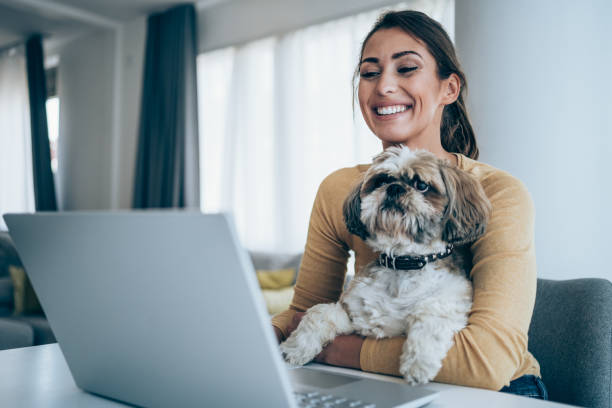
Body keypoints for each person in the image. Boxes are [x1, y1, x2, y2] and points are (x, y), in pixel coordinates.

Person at [272, 10, 548, 400]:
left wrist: (335, 349)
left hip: (501, 391)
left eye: (406, 69)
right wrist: (261, 336)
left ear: (448, 88)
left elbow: (487, 364)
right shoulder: (342, 189)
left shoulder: (497, 191)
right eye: (370, 73)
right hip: (378, 383)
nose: (384, 86)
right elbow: (305, 311)